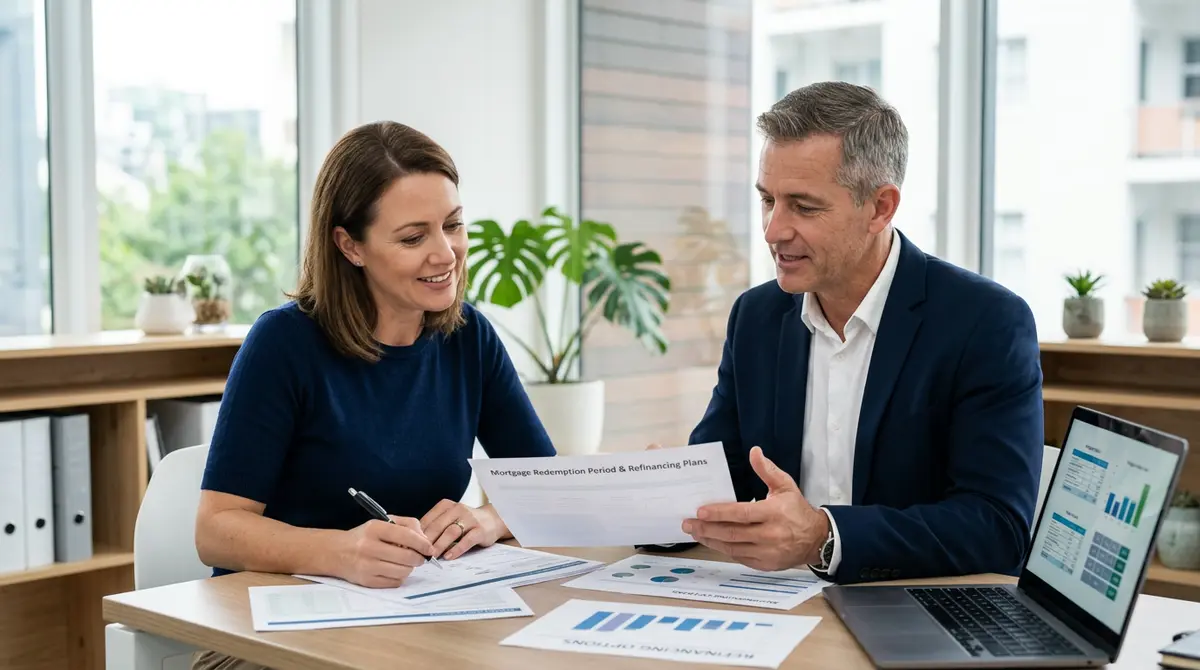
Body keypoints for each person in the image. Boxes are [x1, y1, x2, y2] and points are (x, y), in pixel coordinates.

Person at [190, 121, 555, 670]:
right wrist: (339, 552)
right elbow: (215, 530)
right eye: (413, 238)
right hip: (274, 635)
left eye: (453, 225)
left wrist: (487, 520)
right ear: (349, 245)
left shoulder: (468, 337)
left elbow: (544, 484)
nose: (446, 254)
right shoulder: (284, 344)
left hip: (418, 621)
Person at [650, 81, 1043, 585]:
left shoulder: (985, 321)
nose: (773, 230)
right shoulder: (757, 316)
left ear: (880, 207)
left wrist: (823, 536)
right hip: (780, 609)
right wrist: (668, 496)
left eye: (804, 207)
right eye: (767, 200)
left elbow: (998, 527)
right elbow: (726, 476)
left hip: (913, 611)